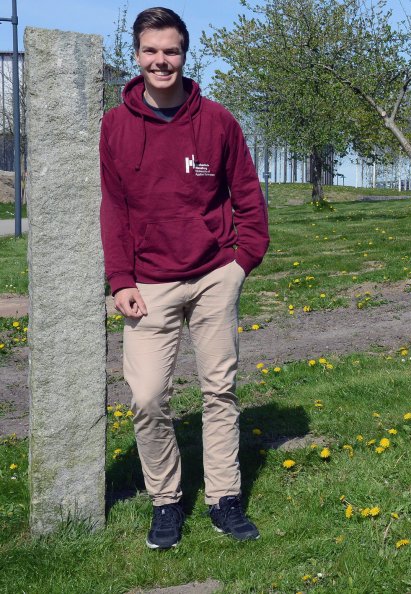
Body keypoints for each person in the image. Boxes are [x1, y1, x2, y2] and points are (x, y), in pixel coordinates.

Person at [100, 6, 270, 550]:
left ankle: (224, 498)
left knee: (219, 389)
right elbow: (114, 208)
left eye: (170, 51)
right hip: (149, 285)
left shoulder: (218, 121)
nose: (161, 60)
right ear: (137, 56)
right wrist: (120, 279)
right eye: (151, 51)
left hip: (215, 274)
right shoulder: (116, 125)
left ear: (184, 55)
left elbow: (247, 193)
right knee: (147, 397)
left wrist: (243, 262)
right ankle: (167, 500)